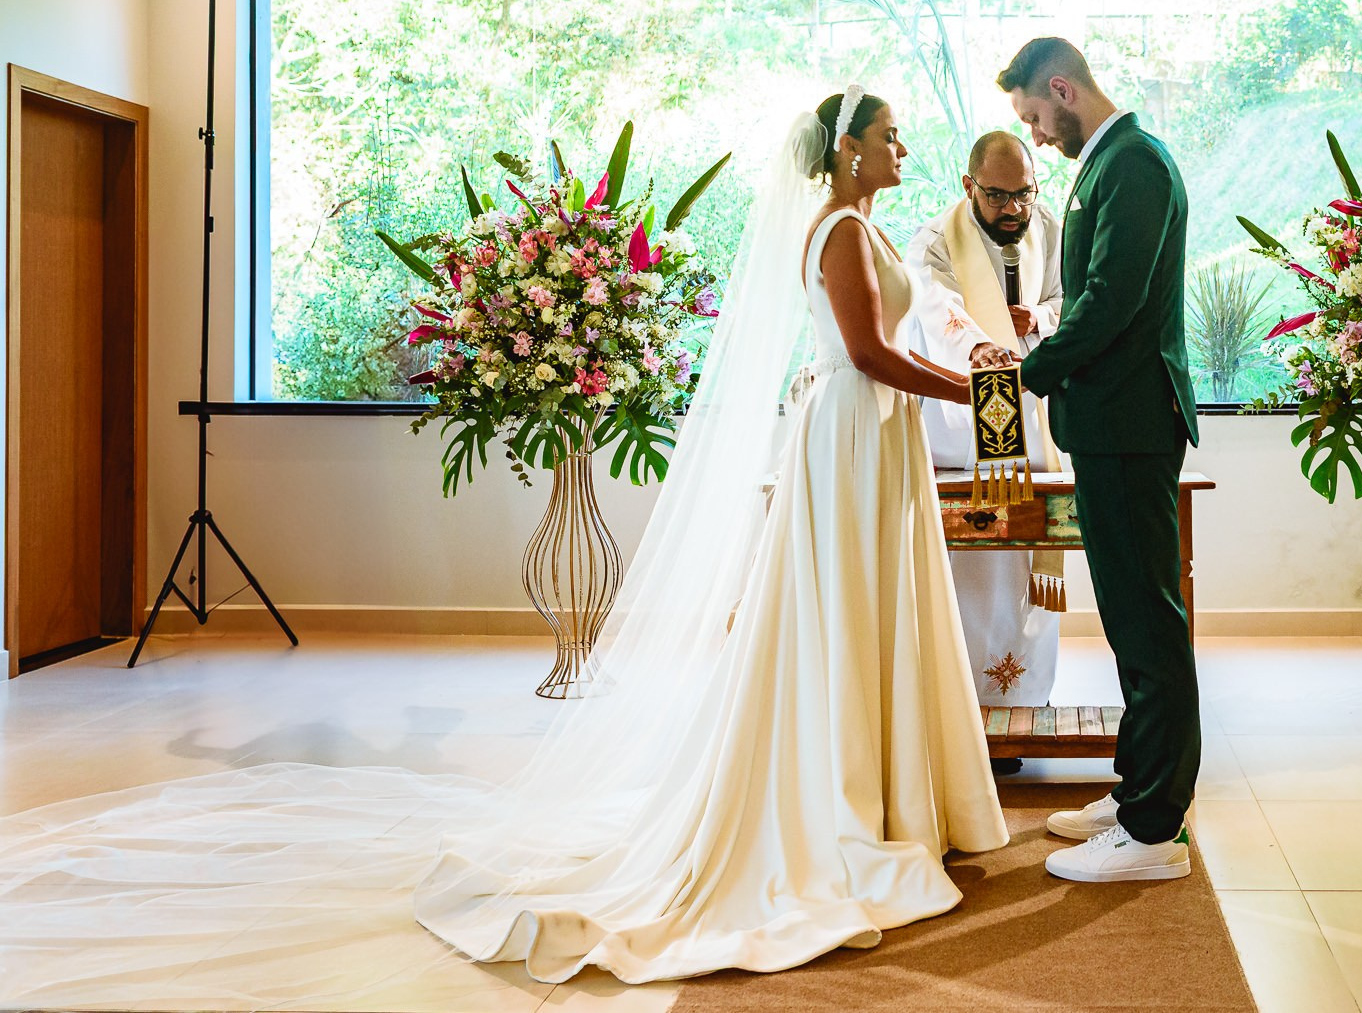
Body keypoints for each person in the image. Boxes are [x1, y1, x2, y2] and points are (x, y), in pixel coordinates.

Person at [0, 89, 1008, 1003]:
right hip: (847, 433)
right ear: (843, 152)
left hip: (873, 436)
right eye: (887, 136)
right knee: (845, 607)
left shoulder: (867, 227)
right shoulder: (837, 231)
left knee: (879, 605)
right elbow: (867, 352)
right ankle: (841, 794)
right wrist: (971, 391)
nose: (902, 147)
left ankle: (887, 784)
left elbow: (894, 345)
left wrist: (970, 363)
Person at [1001, 37, 1202, 885]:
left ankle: (1153, 831)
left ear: (1063, 87)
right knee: (1128, 620)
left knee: (1150, 624)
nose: (1039, 137)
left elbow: (1112, 301)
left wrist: (1028, 371)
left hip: (1128, 424)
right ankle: (1135, 792)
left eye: (1036, 118)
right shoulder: (1110, 161)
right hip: (1109, 424)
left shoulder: (1136, 163)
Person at [905, 132, 1066, 763]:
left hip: (1033, 427)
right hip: (962, 432)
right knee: (971, 577)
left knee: (1029, 574)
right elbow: (934, 305)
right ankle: (962, 722)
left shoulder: (1049, 227)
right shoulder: (935, 240)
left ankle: (1024, 711)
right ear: (970, 186)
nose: (1013, 209)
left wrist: (1039, 322)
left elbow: (1064, 299)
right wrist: (980, 343)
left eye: (1024, 192)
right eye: (997, 195)